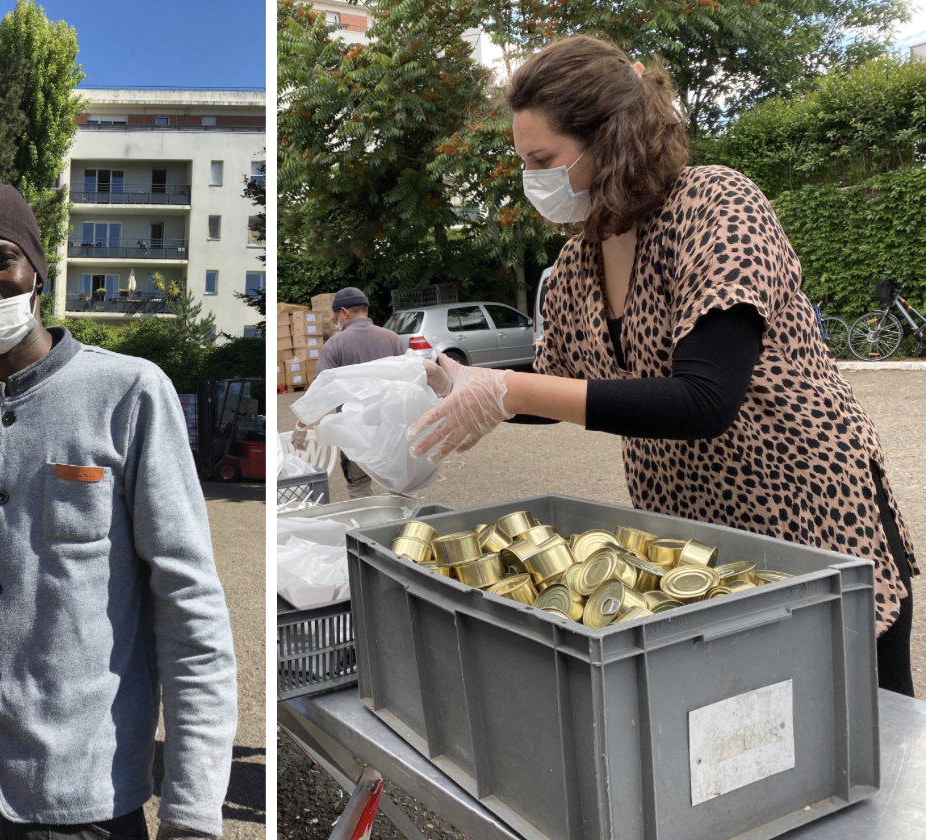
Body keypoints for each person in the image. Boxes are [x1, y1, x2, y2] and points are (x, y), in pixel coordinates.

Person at [406, 35, 918, 696]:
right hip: (696, 537)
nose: (532, 179)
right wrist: (463, 385)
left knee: (868, 741)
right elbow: (557, 388)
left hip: (812, 520)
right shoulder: (574, 267)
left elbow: (706, 398)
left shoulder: (715, 207)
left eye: (542, 159)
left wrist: (509, 387)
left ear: (610, 140)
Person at [0, 178, 237, 840]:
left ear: (38, 270)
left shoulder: (128, 395)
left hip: (81, 799)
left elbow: (191, 611)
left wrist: (193, 811)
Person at [298, 287, 410, 497]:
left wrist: (301, 425)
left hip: (355, 434)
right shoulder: (393, 338)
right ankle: (405, 527)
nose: (337, 321)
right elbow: (410, 382)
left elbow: (321, 392)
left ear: (344, 312)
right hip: (393, 430)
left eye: (336, 317)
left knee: (358, 486)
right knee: (401, 487)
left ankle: (366, 529)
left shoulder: (334, 345)